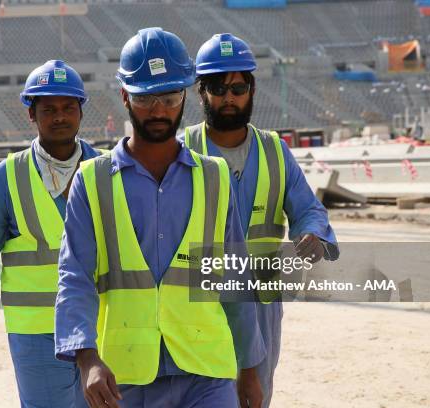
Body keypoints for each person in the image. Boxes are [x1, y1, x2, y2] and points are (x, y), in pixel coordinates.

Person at [55, 28, 266, 408]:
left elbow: (236, 279)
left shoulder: (215, 177)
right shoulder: (93, 181)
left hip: (208, 372)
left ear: (185, 95)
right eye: (145, 98)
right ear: (124, 97)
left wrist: (249, 369)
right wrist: (86, 359)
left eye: (169, 97)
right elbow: (76, 277)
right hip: (125, 376)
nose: (158, 110)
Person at [182, 33, 339, 408]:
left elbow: (308, 210)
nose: (229, 97)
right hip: (200, 302)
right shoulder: (183, 150)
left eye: (239, 87)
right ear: (201, 92)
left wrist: (313, 235)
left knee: (255, 397)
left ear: (251, 90)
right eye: (219, 87)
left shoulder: (274, 151)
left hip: (260, 300)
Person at [0, 60, 103, 408]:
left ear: (81, 112)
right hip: (34, 332)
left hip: (99, 325)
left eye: (68, 107)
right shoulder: (6, 178)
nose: (59, 117)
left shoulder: (107, 169)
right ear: (31, 114)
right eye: (48, 109)